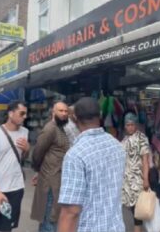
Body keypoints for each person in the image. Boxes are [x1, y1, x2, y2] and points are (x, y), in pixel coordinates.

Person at [58, 97, 126, 232]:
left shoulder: (75, 155)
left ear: (75, 118)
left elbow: (71, 211)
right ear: (100, 115)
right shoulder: (117, 145)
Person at [30, 101, 71, 232]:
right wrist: (39, 170)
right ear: (53, 112)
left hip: (57, 181)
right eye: (61, 111)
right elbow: (37, 152)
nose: (64, 114)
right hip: (50, 182)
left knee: (52, 218)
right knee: (49, 218)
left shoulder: (61, 129)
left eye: (66, 111)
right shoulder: (50, 129)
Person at [0, 101, 30, 232]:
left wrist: (26, 150)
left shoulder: (25, 132)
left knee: (7, 227)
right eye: (22, 113)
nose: (25, 117)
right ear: (10, 113)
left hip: (16, 188)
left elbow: (21, 158)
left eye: (26, 114)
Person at [121, 112, 151, 232]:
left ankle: (137, 229)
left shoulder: (141, 138)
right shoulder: (124, 139)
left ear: (136, 125)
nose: (130, 127)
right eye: (128, 125)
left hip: (138, 178)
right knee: (131, 207)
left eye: (132, 124)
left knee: (138, 207)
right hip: (127, 179)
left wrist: (146, 179)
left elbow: (145, 160)